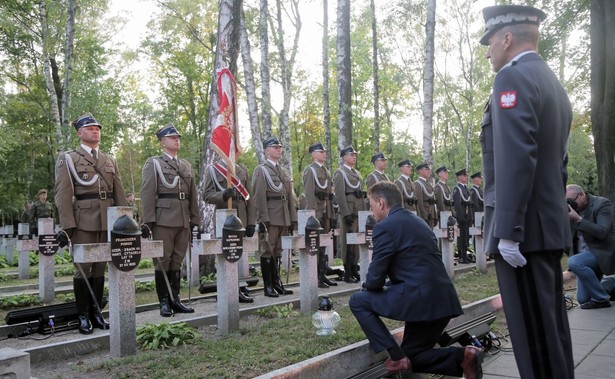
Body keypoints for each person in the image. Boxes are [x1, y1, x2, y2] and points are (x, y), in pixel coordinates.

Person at [479, 5, 574, 378]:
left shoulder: (511, 79)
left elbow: (518, 158)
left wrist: (509, 232)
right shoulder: (550, 79)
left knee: (530, 336)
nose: (488, 50)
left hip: (524, 234)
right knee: (550, 331)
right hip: (544, 227)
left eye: (489, 42)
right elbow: (559, 164)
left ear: (506, 38)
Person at [349, 181, 482, 378]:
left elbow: (375, 278)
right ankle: (465, 356)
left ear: (381, 202)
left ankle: (395, 357)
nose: (371, 210)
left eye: (371, 205)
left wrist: (368, 286)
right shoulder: (419, 221)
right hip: (443, 298)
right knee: (413, 356)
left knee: (358, 301)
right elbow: (413, 269)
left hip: (419, 299)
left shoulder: (384, 227)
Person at [55, 112, 127, 334]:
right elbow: (62, 194)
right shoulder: (69, 158)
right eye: (90, 128)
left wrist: (125, 220)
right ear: (79, 132)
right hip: (83, 221)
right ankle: (83, 316)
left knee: (100, 268)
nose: (95, 130)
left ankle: (97, 314)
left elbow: (120, 193)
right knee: (83, 269)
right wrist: (68, 227)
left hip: (108, 222)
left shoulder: (109, 160)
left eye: (97, 128)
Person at [141, 124, 200, 317]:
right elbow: (148, 193)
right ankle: (164, 302)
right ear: (162, 142)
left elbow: (193, 195)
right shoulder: (154, 163)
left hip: (183, 218)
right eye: (172, 137)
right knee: (162, 260)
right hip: (163, 219)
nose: (176, 139)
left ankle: (176, 300)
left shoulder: (186, 166)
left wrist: (195, 219)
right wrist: (147, 221)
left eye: (178, 137)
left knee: (177, 260)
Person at [203, 154, 256, 303]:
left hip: (242, 216)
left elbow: (249, 197)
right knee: (227, 254)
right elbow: (206, 195)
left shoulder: (242, 170)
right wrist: (222, 195)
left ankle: (237, 288)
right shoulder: (213, 170)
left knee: (237, 254)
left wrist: (251, 221)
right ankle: (226, 289)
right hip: (224, 217)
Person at [252, 137, 297, 297]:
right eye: (275, 147)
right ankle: (268, 286)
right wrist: (262, 219)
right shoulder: (261, 170)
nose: (279, 149)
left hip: (283, 215)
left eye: (279, 147)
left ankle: (277, 283)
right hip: (270, 216)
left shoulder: (283, 171)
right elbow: (258, 197)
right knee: (267, 250)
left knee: (278, 250)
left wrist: (293, 218)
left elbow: (290, 197)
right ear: (267, 150)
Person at [565, 184, 615, 309]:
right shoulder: (570, 211)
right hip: (585, 260)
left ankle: (601, 299)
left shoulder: (602, 204)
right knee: (583, 299)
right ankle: (610, 285)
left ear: (582, 195)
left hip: (603, 253)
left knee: (574, 262)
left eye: (572, 200)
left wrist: (579, 220)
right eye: (567, 201)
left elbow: (602, 232)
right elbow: (571, 240)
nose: (570, 204)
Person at [302, 141, 337, 289]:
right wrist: (312, 214)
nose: (324, 154)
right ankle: (315, 276)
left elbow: (329, 195)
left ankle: (322, 275)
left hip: (325, 211)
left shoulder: (326, 171)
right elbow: (309, 193)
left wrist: (332, 214)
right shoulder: (310, 170)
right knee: (315, 245)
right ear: (314, 154)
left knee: (323, 245)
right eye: (321, 152)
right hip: (316, 212)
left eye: (324, 152)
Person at [333, 145, 364, 283]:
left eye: (354, 155)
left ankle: (354, 267)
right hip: (349, 211)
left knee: (356, 240)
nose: (354, 157)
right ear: (344, 157)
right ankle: (347, 269)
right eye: (351, 155)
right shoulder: (340, 173)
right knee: (347, 240)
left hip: (358, 210)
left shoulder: (357, 173)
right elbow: (339, 195)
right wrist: (346, 213)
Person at [453, 169, 472, 264]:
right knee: (462, 237)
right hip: (462, 217)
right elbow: (457, 204)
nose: (466, 177)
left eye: (466, 175)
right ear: (459, 177)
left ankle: (465, 254)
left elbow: (469, 203)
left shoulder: (466, 189)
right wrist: (461, 217)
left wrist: (469, 217)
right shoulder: (457, 189)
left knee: (466, 236)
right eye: (464, 175)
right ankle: (461, 256)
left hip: (467, 215)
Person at [414, 163, 437, 227]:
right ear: (420, 171)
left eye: (429, 169)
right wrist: (424, 217)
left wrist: (434, 215)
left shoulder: (428, 184)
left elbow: (432, 202)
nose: (429, 171)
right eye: (427, 169)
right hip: (425, 216)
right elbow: (419, 203)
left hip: (431, 215)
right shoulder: (418, 184)